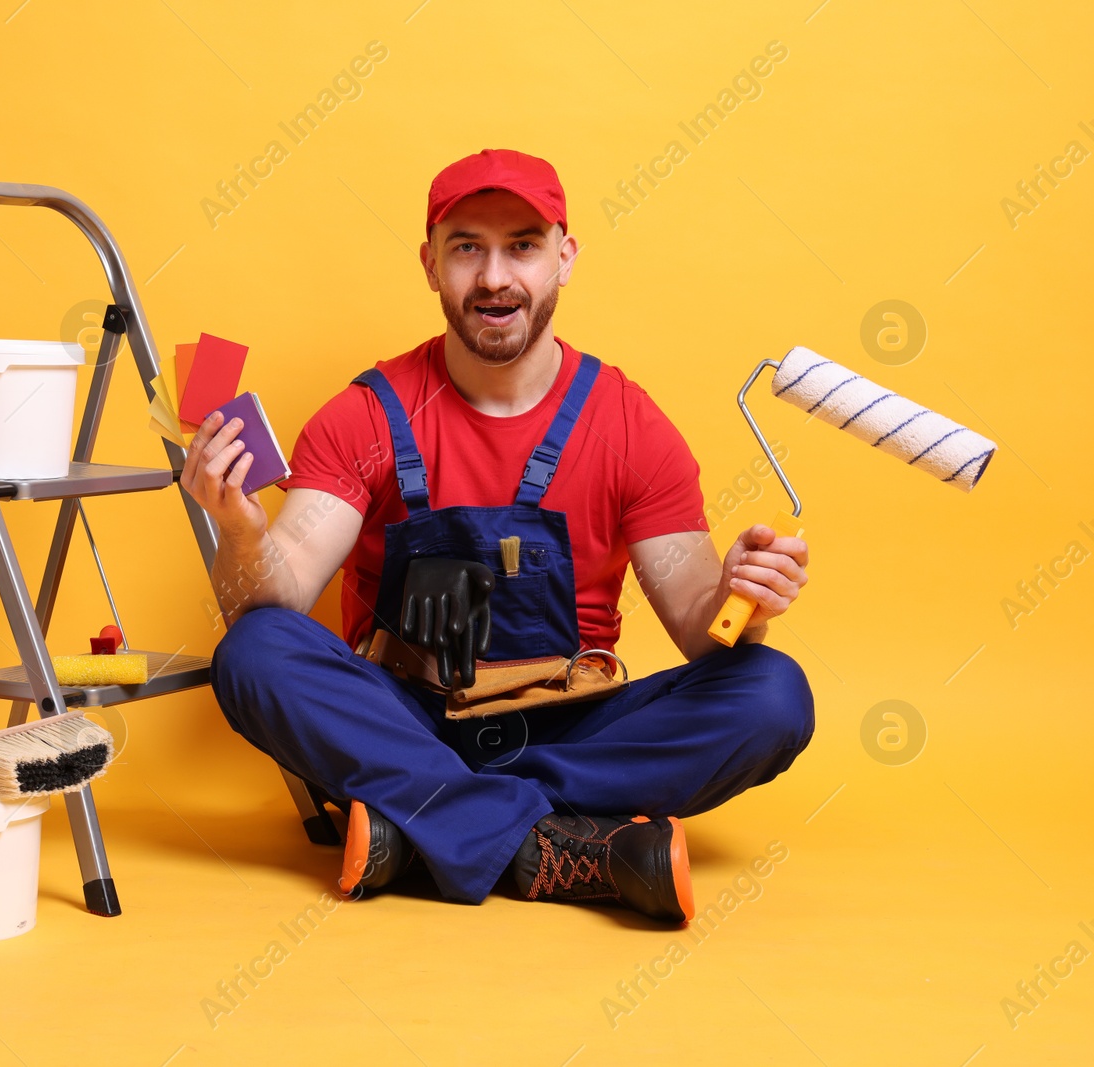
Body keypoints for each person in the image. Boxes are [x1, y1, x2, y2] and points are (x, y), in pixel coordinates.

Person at [183, 148, 814, 925]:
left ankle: (418, 826)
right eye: (466, 247)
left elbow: (698, 627)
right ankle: (558, 846)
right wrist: (240, 529)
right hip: (408, 719)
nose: (493, 278)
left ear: (564, 257)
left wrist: (743, 595)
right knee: (254, 651)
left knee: (773, 691)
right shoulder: (366, 418)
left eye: (522, 245)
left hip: (572, 728)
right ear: (430, 263)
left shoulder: (628, 425)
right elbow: (276, 595)